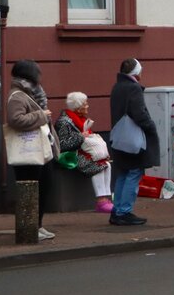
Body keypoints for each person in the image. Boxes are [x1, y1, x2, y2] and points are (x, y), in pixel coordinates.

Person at [6, 59, 58, 241]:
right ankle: (30, 227)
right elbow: (15, 119)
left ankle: (38, 224)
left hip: (40, 147)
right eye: (37, 72)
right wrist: (41, 115)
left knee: (44, 187)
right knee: (31, 188)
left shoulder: (32, 92)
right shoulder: (18, 95)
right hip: (28, 152)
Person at [109, 58, 158, 226]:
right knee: (134, 172)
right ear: (136, 73)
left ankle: (117, 210)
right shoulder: (133, 88)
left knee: (123, 172)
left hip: (119, 138)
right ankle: (124, 211)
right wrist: (151, 126)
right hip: (133, 139)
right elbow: (139, 114)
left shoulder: (117, 87)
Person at [54, 92, 113, 214]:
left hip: (82, 152)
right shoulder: (64, 122)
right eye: (85, 103)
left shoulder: (81, 119)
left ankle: (106, 199)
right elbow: (63, 144)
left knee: (107, 165)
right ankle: (101, 201)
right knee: (97, 166)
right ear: (78, 107)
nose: (87, 106)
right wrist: (81, 136)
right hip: (71, 156)